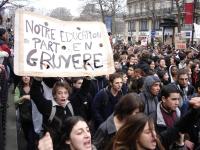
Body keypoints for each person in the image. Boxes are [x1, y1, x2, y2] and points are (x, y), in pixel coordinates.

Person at [30, 78, 74, 149]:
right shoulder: (49, 107)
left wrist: (87, 79)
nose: (63, 95)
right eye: (59, 93)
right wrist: (37, 80)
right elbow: (35, 95)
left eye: (65, 93)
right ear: (54, 95)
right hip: (52, 145)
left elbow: (82, 94)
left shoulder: (71, 106)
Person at [14, 76, 36, 150]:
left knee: (31, 139)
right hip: (24, 117)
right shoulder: (18, 88)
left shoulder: (34, 86)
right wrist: (23, 97)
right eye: (24, 76)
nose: (26, 77)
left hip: (34, 117)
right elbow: (15, 101)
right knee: (27, 136)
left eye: (27, 76)